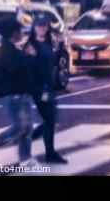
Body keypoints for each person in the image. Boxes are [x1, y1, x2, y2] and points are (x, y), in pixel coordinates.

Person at [0, 17, 38, 168]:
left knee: (27, 128)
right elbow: (19, 69)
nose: (22, 33)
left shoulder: (11, 49)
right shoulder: (6, 51)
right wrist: (30, 56)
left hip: (20, 93)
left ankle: (26, 159)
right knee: (19, 127)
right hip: (13, 94)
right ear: (13, 32)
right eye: (20, 30)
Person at [25, 14, 68, 164]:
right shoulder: (31, 45)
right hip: (40, 89)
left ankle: (29, 139)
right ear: (34, 27)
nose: (42, 28)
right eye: (39, 25)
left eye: (44, 25)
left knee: (50, 120)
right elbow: (30, 70)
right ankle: (48, 153)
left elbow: (52, 63)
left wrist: (61, 46)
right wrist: (42, 89)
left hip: (48, 87)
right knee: (49, 120)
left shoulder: (47, 42)